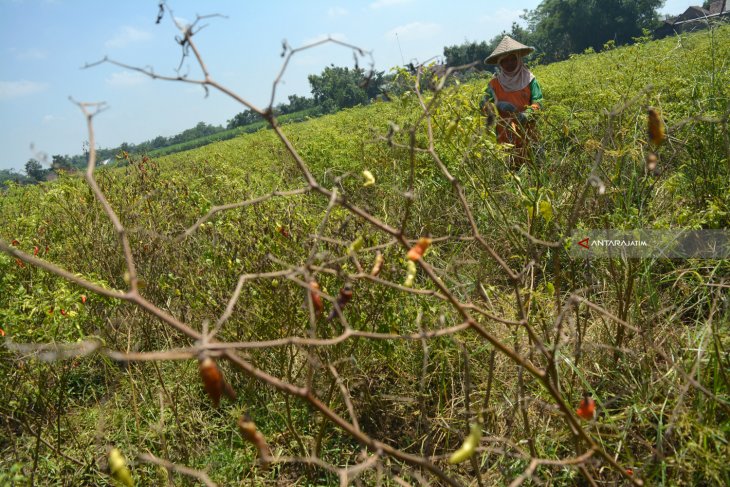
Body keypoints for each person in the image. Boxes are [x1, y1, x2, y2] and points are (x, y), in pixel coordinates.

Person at [481, 36, 543, 154]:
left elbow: (538, 101)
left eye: (513, 59)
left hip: (529, 133)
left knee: (534, 164)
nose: (509, 63)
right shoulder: (493, 85)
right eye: (505, 60)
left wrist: (528, 114)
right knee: (511, 168)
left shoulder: (530, 80)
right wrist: (496, 105)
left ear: (519, 59)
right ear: (500, 63)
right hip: (505, 137)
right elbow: (483, 104)